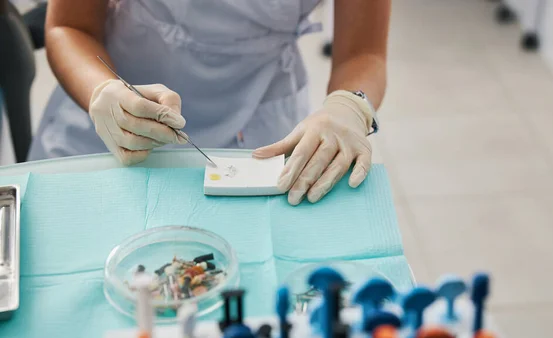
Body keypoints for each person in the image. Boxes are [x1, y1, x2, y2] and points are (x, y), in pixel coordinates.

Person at [29, 0, 390, 205]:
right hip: (108, 118)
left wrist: (348, 106)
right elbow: (69, 27)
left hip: (258, 127)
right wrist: (102, 91)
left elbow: (364, 53)